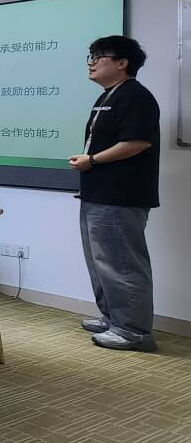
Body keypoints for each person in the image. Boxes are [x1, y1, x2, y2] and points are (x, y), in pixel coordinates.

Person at [67, 36, 161, 352]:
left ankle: (134, 331)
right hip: (98, 193)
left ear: (122, 63)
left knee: (122, 263)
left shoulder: (136, 96)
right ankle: (113, 319)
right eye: (90, 55)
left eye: (99, 56)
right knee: (101, 262)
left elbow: (137, 142)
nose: (91, 62)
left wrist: (92, 160)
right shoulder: (109, 95)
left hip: (121, 195)